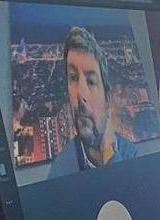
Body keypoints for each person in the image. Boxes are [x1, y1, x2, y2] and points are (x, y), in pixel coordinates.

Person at [48, 27, 138, 179]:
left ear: (108, 101)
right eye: (73, 78)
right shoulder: (60, 171)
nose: (81, 94)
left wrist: (109, 154)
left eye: (91, 81)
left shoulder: (130, 154)